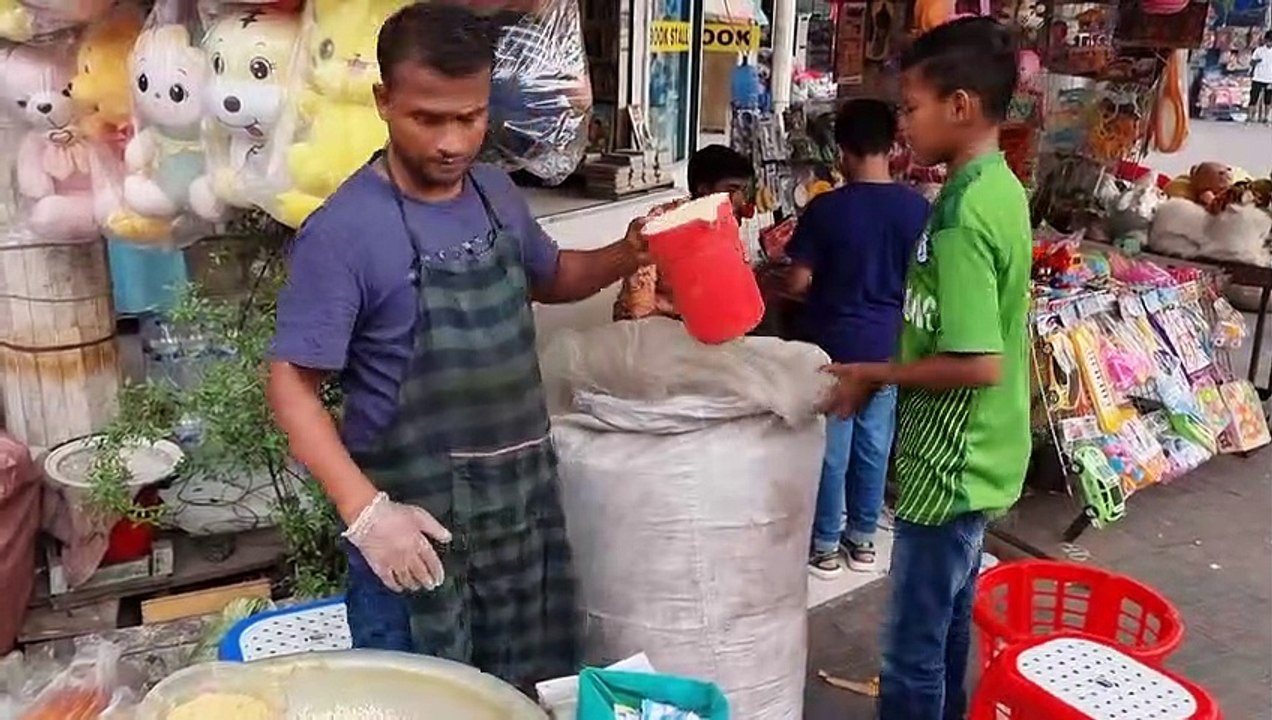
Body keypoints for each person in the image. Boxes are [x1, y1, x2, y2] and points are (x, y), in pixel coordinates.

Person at [266, 3, 659, 691]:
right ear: (384, 101)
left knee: (528, 696)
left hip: (521, 519)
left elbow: (553, 275)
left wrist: (628, 252)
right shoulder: (344, 232)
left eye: (470, 116)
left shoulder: (496, 194)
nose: (452, 141)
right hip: (415, 535)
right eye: (428, 118)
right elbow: (290, 386)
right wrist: (366, 513)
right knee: (426, 699)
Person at [824, 18, 1031, 720]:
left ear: (962, 106)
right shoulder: (997, 185)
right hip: (976, 457)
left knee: (910, 653)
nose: (903, 125)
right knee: (943, 628)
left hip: (951, 465)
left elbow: (977, 364)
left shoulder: (964, 215)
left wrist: (875, 375)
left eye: (911, 109)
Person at [785, 99, 928, 579]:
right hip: (887, 349)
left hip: (832, 349)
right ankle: (863, 540)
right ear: (893, 146)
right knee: (874, 444)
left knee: (832, 447)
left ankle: (825, 543)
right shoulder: (916, 210)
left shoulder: (825, 210)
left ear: (841, 151)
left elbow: (797, 284)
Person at [612, 144, 754, 321]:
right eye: (732, 190)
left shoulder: (725, 225)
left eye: (743, 191)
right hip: (653, 329)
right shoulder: (659, 227)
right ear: (704, 190)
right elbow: (638, 307)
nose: (740, 201)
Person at [1252, 31, 1272, 124]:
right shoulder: (1259, 50)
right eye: (1269, 41)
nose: (1270, 43)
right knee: (1254, 98)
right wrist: (1256, 61)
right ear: (1265, 40)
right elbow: (1252, 63)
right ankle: (1250, 117)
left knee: (1268, 100)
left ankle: (1266, 118)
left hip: (1270, 78)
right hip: (1258, 77)